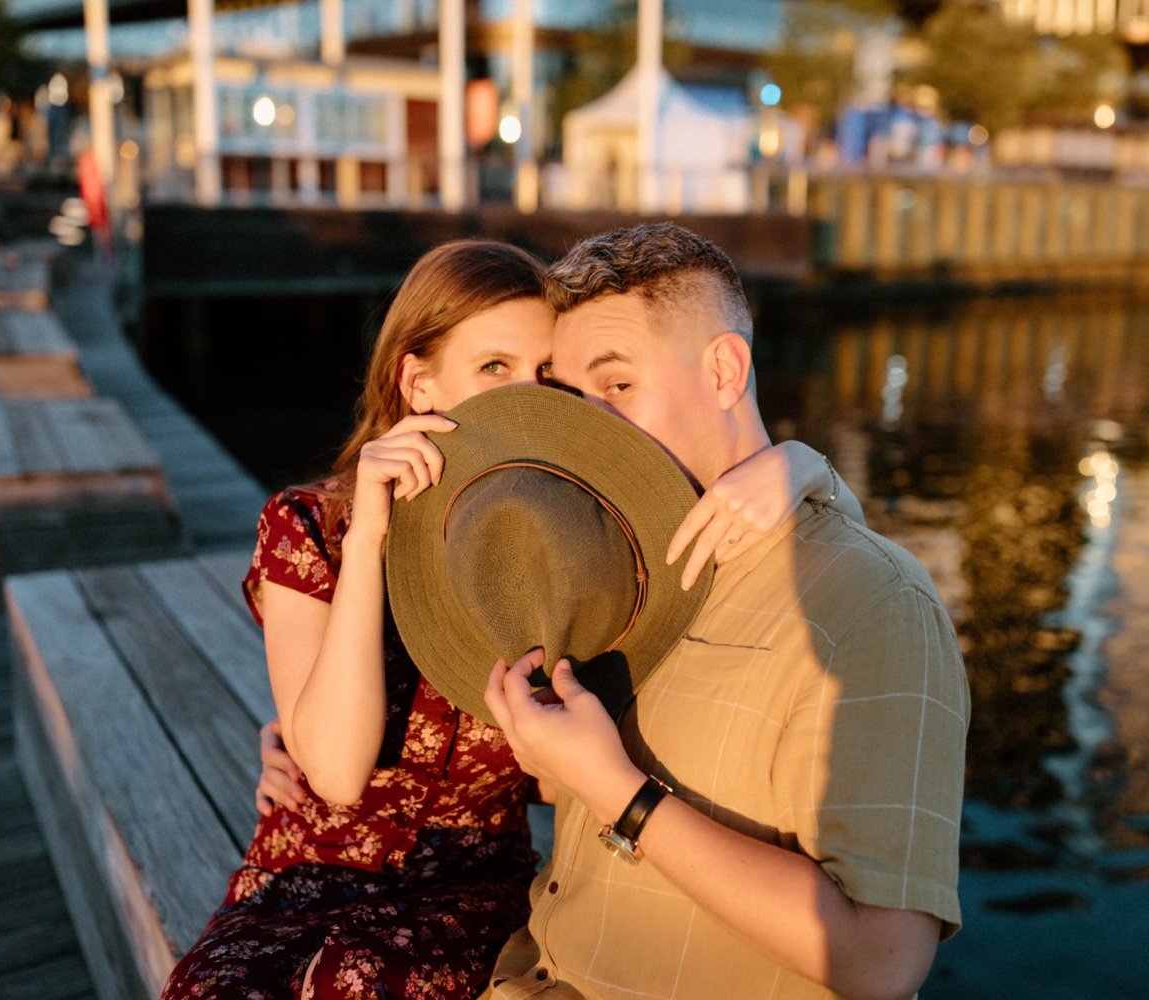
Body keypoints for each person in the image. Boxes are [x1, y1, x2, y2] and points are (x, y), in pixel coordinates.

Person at [164, 238, 855, 1000]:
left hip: (465, 889)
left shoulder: (572, 536)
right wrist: (370, 537)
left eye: (545, 377)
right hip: (302, 871)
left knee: (354, 986)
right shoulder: (311, 526)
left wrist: (801, 462)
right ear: (418, 381)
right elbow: (332, 769)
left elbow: (577, 766)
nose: (526, 398)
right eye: (496, 369)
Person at [481, 222, 970, 1000]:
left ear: (723, 369)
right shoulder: (617, 561)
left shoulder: (876, 605)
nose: (586, 432)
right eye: (572, 401)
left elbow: (882, 964)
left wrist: (618, 791)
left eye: (618, 386)